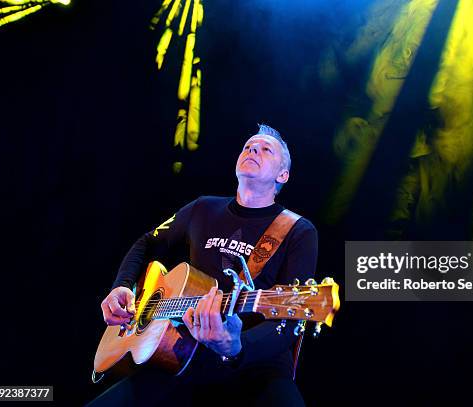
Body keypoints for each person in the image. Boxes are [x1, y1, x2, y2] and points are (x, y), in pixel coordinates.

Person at [89, 124, 318, 406]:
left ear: (283, 175)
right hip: (182, 355)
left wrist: (236, 347)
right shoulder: (203, 208)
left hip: (257, 371)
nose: (252, 149)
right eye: (248, 146)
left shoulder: (298, 230)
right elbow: (148, 242)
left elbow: (291, 320)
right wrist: (122, 286)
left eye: (265, 149)